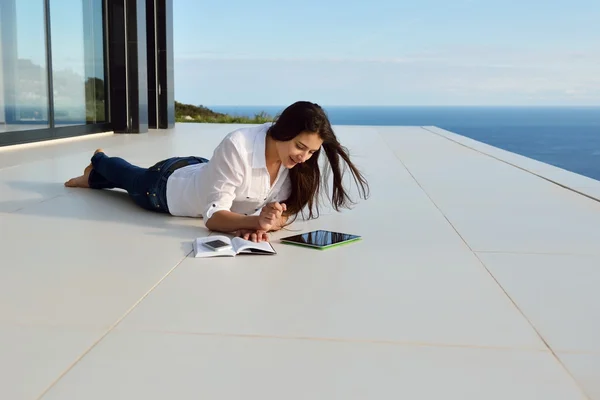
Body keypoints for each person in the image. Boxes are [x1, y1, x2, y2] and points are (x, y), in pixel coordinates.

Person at [65, 101, 370, 242]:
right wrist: (255, 221)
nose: (304, 157)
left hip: (205, 169)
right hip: (165, 188)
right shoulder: (238, 145)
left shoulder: (296, 165)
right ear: (283, 131)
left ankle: (93, 176)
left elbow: (283, 213)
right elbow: (212, 218)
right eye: (301, 147)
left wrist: (267, 223)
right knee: (128, 176)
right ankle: (100, 162)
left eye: (312, 152)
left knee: (121, 179)